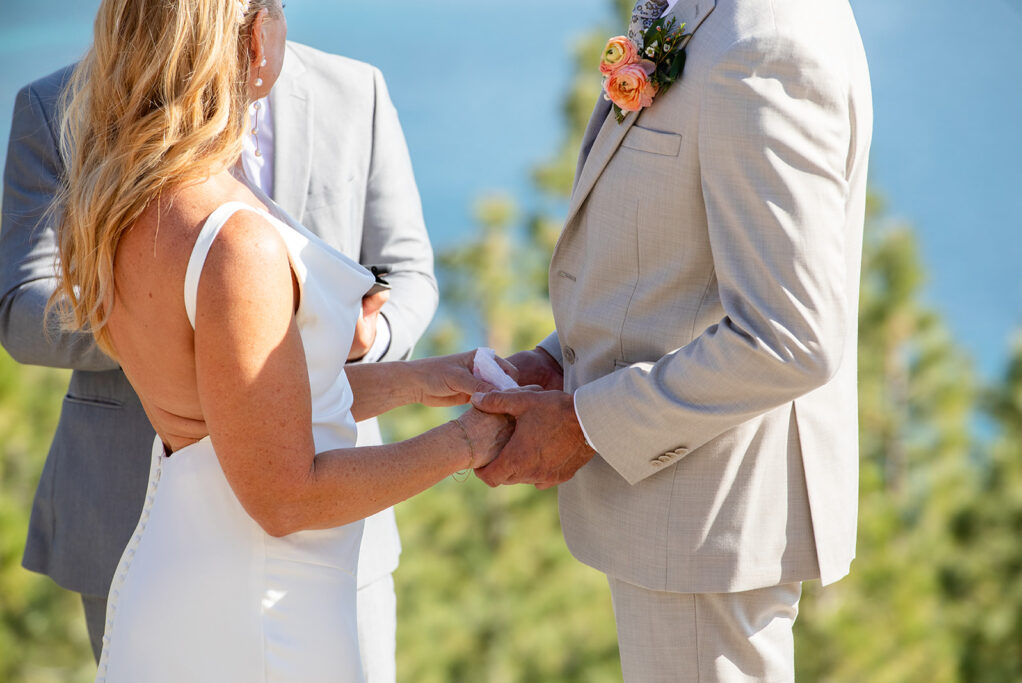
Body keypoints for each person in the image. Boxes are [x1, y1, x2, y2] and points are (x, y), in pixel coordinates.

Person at [30, 0, 514, 679]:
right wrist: (471, 440)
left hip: (179, 576)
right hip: (265, 612)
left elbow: (244, 408)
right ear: (258, 39)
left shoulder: (127, 203)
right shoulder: (233, 242)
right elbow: (288, 494)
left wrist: (425, 377)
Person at [473, 0, 872, 680]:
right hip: (685, 518)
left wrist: (588, 423)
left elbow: (790, 335)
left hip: (710, 524)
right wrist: (563, 358)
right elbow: (682, 260)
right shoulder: (709, 16)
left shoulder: (763, 44)